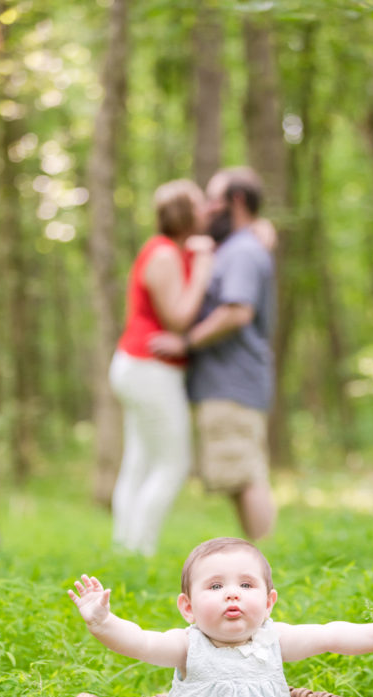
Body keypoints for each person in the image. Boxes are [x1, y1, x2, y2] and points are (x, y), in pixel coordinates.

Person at [68, 537, 373, 697]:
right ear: (187, 608)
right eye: (216, 586)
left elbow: (330, 635)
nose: (232, 593)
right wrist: (102, 622)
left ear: (268, 603)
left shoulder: (275, 640)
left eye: (246, 585)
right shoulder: (188, 645)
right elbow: (141, 642)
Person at [150, 168, 277, 542]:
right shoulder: (242, 246)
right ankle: (262, 560)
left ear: (236, 201)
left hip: (232, 382)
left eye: (213, 199)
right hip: (228, 382)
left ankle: (266, 561)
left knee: (246, 476)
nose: (206, 209)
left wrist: (186, 342)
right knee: (240, 475)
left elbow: (237, 311)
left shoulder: (242, 250)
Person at [109, 179, 214, 557]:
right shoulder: (165, 255)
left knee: (139, 460)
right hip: (148, 369)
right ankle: (141, 549)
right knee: (174, 462)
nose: (206, 212)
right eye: (200, 205)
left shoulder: (166, 251)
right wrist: (202, 267)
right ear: (186, 213)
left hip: (138, 367)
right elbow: (178, 319)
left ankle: (126, 548)